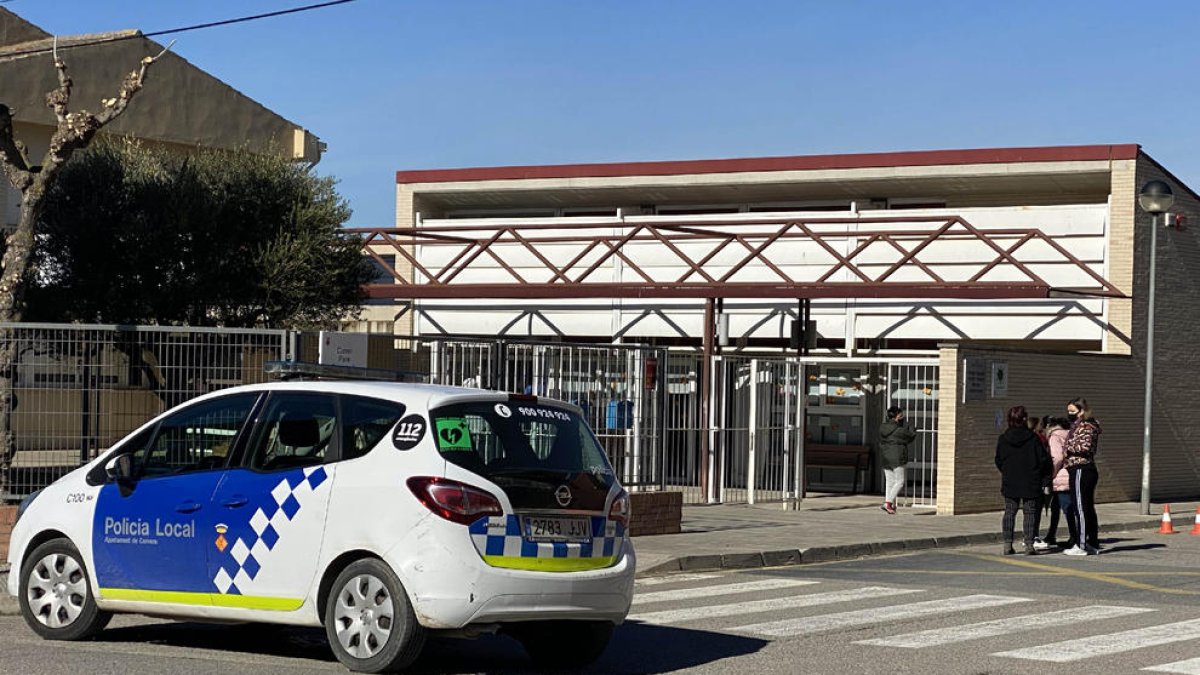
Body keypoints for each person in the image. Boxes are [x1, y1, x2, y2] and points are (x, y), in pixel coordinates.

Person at [995, 405, 1051, 555]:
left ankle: (1007, 544)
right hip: (1031, 479)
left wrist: (1007, 471)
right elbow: (1043, 460)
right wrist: (1044, 478)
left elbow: (998, 460)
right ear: (1024, 419)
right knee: (1030, 512)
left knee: (1009, 511)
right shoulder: (1033, 439)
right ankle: (1029, 544)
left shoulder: (1003, 439)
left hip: (1010, 479)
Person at [1062, 398, 1102, 556]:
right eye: (1068, 411)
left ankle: (1081, 544)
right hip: (1081, 468)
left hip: (1081, 468)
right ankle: (1091, 542)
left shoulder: (1086, 426)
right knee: (1086, 507)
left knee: (1080, 507)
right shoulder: (1079, 426)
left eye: (1073, 411)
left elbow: (1084, 446)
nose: (1070, 415)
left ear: (1082, 411)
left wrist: (1067, 447)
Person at [1034, 416, 1076, 551]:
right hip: (1072, 473)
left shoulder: (1055, 436)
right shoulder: (1071, 434)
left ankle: (1074, 537)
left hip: (1061, 476)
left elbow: (1057, 457)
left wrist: (1051, 474)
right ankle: (1053, 534)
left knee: (1066, 508)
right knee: (1059, 507)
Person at [878, 406, 916, 515]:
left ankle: (889, 505)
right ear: (897, 416)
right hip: (897, 457)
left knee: (890, 482)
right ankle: (888, 503)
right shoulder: (898, 430)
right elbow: (910, 437)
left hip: (886, 457)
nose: (902, 416)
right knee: (900, 481)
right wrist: (912, 428)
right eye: (901, 414)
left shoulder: (882, 427)